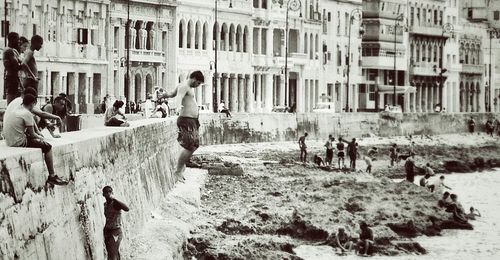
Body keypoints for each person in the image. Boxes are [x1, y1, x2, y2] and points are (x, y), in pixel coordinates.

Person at [3, 94, 68, 185]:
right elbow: (33, 135)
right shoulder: (27, 114)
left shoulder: (18, 109)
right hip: (19, 142)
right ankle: (52, 176)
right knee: (48, 147)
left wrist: (38, 134)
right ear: (32, 104)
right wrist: (42, 138)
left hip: (9, 140)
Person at [168, 71, 204, 181]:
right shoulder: (184, 86)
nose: (197, 86)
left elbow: (172, 94)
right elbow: (178, 97)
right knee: (190, 145)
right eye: (198, 83)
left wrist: (164, 95)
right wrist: (178, 107)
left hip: (191, 120)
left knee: (194, 145)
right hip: (186, 119)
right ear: (194, 79)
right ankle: (178, 171)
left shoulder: (185, 86)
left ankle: (184, 162)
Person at [102, 186, 129, 260]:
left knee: (112, 255)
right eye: (106, 192)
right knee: (112, 253)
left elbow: (127, 209)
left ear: (112, 193)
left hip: (115, 232)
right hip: (107, 231)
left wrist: (114, 199)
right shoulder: (105, 205)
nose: (108, 194)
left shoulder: (116, 204)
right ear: (103, 194)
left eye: (109, 192)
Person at [3, 32, 23, 104]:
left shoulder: (12, 50)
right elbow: (17, 66)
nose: (19, 41)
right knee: (12, 101)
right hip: (11, 78)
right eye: (17, 39)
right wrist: (25, 64)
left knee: (15, 100)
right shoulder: (9, 51)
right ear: (12, 39)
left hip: (13, 78)